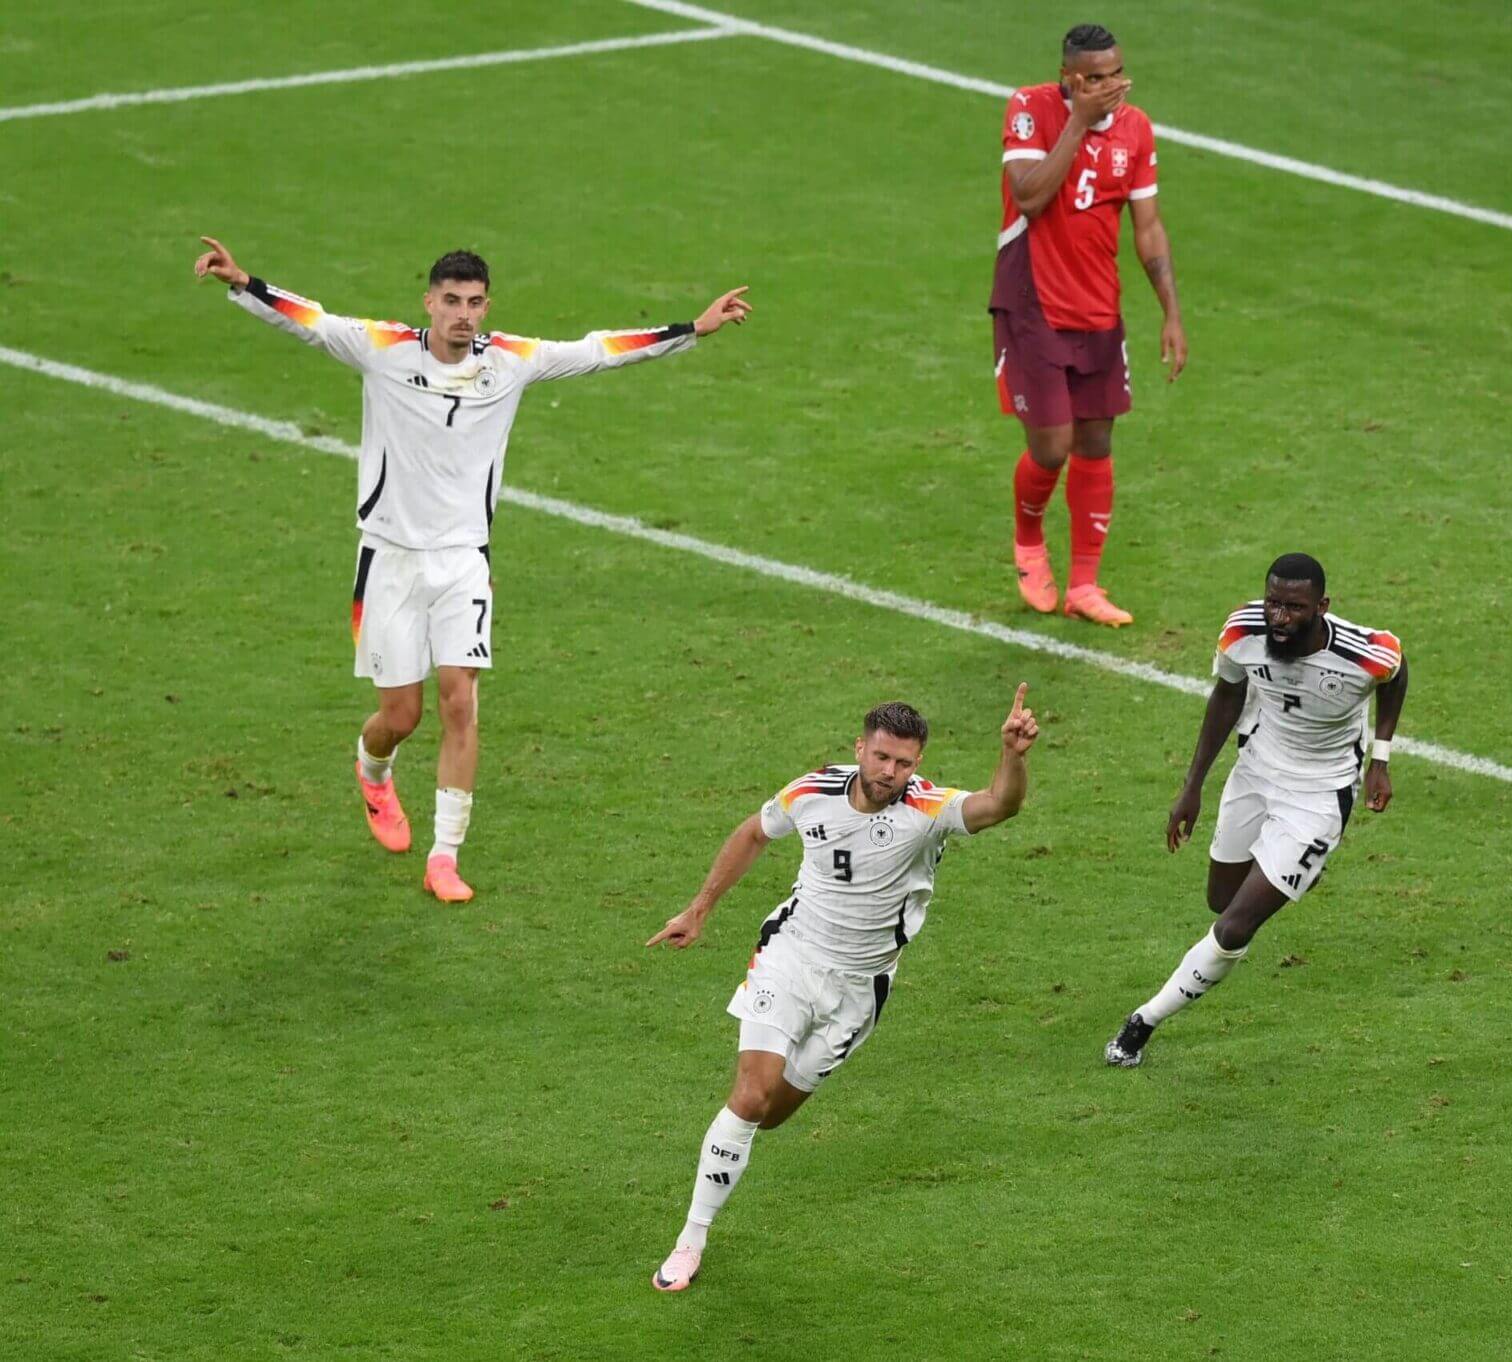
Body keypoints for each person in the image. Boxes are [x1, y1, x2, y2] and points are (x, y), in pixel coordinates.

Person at [192, 238, 752, 901]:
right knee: (400, 717)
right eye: (452, 302)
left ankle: (444, 858)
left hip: (463, 561)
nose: (464, 314)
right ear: (429, 303)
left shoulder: (511, 361)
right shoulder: (382, 347)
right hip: (390, 559)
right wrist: (242, 281)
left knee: (461, 700)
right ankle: (374, 773)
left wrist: (692, 328)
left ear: (487, 306)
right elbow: (308, 319)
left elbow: (599, 349)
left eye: (475, 303)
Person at [643, 690, 1038, 1291]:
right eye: (882, 758)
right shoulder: (812, 792)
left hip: (859, 990)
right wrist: (699, 909)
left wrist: (1012, 756)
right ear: (861, 748)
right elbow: (753, 833)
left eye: (905, 763)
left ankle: (724, 1167)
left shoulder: (927, 808)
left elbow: (999, 805)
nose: (891, 773)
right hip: (792, 956)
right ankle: (689, 1241)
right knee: (749, 1097)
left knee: (770, 1116)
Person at [1106, 556, 1405, 1067]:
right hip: (1256, 771)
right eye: (1273, 602)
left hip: (1318, 795)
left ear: (1322, 608)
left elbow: (1396, 677)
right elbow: (1226, 694)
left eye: (1294, 607)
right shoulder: (1241, 633)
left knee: (1235, 926)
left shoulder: (1365, 653)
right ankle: (1289, 872)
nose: (1279, 617)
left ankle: (1142, 1024)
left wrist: (1380, 758)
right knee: (1220, 900)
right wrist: (1192, 786)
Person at [992, 22, 1187, 628]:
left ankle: (1084, 585)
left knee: (1097, 442)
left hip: (1099, 308)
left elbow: (1148, 228)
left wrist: (1171, 312)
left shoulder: (1137, 128)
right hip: (1033, 302)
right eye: (1097, 78)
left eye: (1116, 74)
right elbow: (1027, 196)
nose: (1112, 87)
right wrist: (1078, 121)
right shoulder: (1031, 108)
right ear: (1069, 78)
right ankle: (1029, 541)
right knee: (1052, 445)